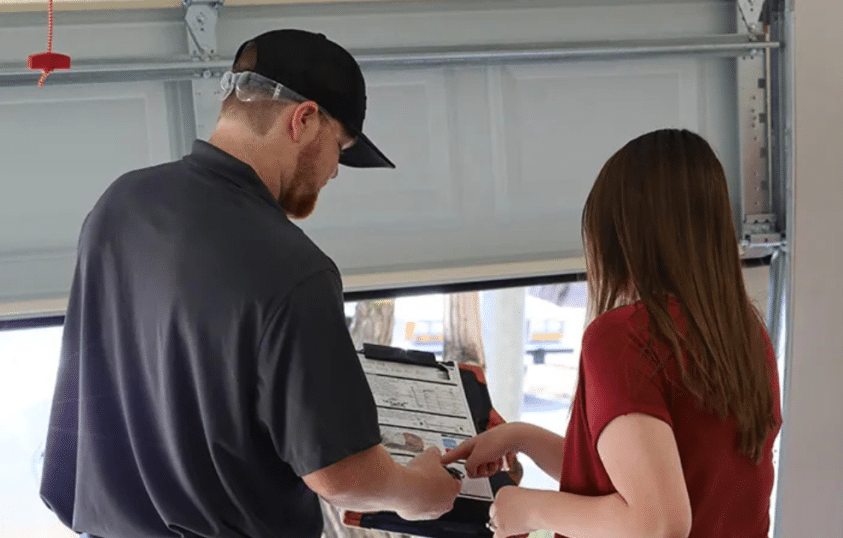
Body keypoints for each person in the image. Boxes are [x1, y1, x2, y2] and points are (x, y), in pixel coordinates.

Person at [39, 29, 461, 538]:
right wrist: (419, 492)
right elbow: (342, 475)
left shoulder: (120, 204)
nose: (334, 172)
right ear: (303, 120)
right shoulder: (293, 268)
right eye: (339, 148)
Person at [442, 129, 782, 538]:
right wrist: (522, 437)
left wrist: (531, 509)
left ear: (615, 240)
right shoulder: (744, 335)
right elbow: (641, 475)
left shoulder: (624, 337)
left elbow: (656, 523)